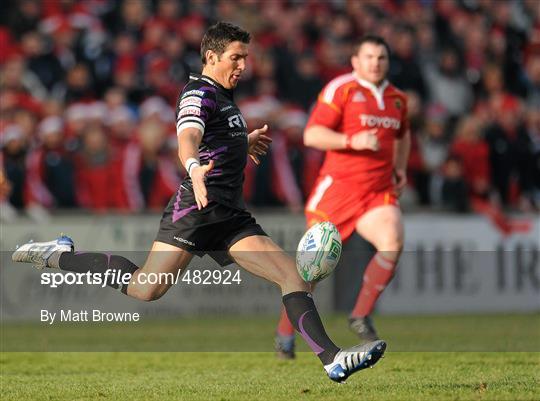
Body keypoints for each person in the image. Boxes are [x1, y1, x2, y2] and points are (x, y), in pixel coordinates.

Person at [12, 22, 386, 383]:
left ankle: (332, 360)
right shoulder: (199, 94)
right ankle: (58, 255)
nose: (243, 65)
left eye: (245, 58)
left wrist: (244, 143)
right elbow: (188, 137)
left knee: (292, 275)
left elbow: (216, 139)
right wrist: (193, 168)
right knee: (146, 288)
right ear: (211, 56)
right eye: (236, 58)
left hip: (231, 215)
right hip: (197, 207)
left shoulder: (225, 97)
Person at [275, 35, 410, 358]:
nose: (375, 63)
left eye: (381, 57)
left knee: (393, 241)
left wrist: (400, 168)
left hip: (376, 193)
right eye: (369, 57)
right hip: (336, 193)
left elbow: (403, 135)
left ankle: (360, 314)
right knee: (310, 275)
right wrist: (354, 140)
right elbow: (312, 134)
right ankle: (284, 335)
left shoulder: (398, 99)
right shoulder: (342, 89)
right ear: (355, 61)